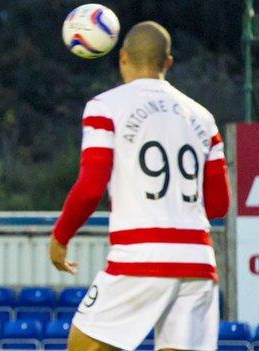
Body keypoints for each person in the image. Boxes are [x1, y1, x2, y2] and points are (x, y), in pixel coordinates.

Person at [49, 21, 231, 351]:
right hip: (198, 260)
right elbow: (219, 206)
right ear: (169, 63)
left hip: (140, 254)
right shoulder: (203, 117)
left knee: (83, 346)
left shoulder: (106, 106)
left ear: (122, 57)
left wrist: (60, 237)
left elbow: (91, 186)